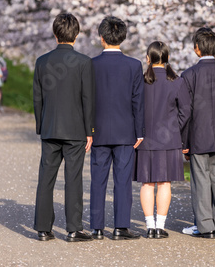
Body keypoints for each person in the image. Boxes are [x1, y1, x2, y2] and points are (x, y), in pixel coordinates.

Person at [33, 13, 95, 242]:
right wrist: (90, 130)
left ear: (54, 33)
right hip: (76, 130)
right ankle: (73, 228)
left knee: (46, 178)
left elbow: (37, 98)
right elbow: (88, 99)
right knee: (73, 178)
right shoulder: (84, 62)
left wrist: (41, 126)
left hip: (50, 128)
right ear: (76, 35)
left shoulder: (42, 61)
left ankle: (42, 228)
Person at [90, 16, 144, 241]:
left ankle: (97, 228)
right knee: (122, 180)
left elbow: (87, 100)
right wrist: (139, 131)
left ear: (101, 38)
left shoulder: (91, 65)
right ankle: (121, 227)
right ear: (122, 37)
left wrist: (87, 129)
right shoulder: (134, 65)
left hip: (98, 130)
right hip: (125, 131)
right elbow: (138, 101)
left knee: (98, 179)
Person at [182, 27, 215, 239]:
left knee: (200, 181)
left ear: (197, 49)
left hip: (197, 136)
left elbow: (186, 112)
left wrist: (184, 141)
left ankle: (205, 227)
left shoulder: (189, 75)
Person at [136, 41, 191, 239]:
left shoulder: (141, 81)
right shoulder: (177, 82)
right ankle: (160, 226)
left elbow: (134, 109)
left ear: (148, 59)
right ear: (167, 58)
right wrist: (175, 129)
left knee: (147, 183)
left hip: (146, 139)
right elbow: (186, 112)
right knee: (165, 183)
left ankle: (149, 226)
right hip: (169, 140)